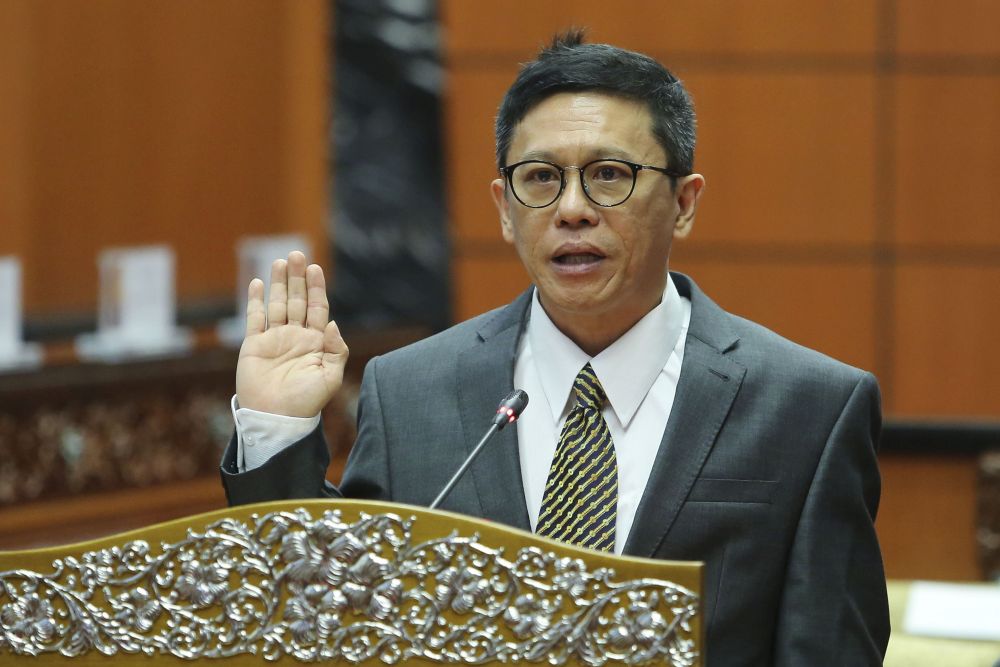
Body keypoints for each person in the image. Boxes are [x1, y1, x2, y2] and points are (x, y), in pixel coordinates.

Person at [220, 30, 889, 665]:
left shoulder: (808, 408)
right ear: (506, 209)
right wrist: (277, 431)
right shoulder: (412, 392)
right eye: (540, 178)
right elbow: (334, 621)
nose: (572, 208)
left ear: (684, 203)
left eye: (608, 175)